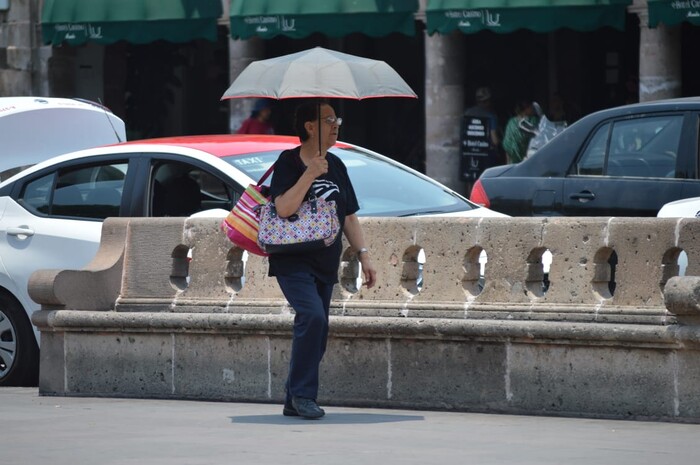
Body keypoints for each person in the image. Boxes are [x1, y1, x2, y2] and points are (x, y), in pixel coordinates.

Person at [269, 100, 377, 419]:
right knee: (312, 318)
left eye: (337, 119)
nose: (336, 125)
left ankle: (293, 396)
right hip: (292, 260)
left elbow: (350, 217)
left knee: (319, 331)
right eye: (329, 119)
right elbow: (283, 208)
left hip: (325, 263)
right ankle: (304, 395)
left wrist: (365, 256)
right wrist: (310, 174)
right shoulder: (288, 162)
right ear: (310, 126)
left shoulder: (337, 166)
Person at [460, 87, 503, 191]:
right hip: (485, 155)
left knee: (470, 180)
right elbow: (495, 140)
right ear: (487, 101)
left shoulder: (467, 113)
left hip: (468, 153)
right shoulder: (490, 116)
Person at [502, 100, 538, 164]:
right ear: (526, 109)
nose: (533, 109)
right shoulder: (533, 120)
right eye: (531, 107)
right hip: (527, 160)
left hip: (512, 161)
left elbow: (507, 144)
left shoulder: (511, 121)